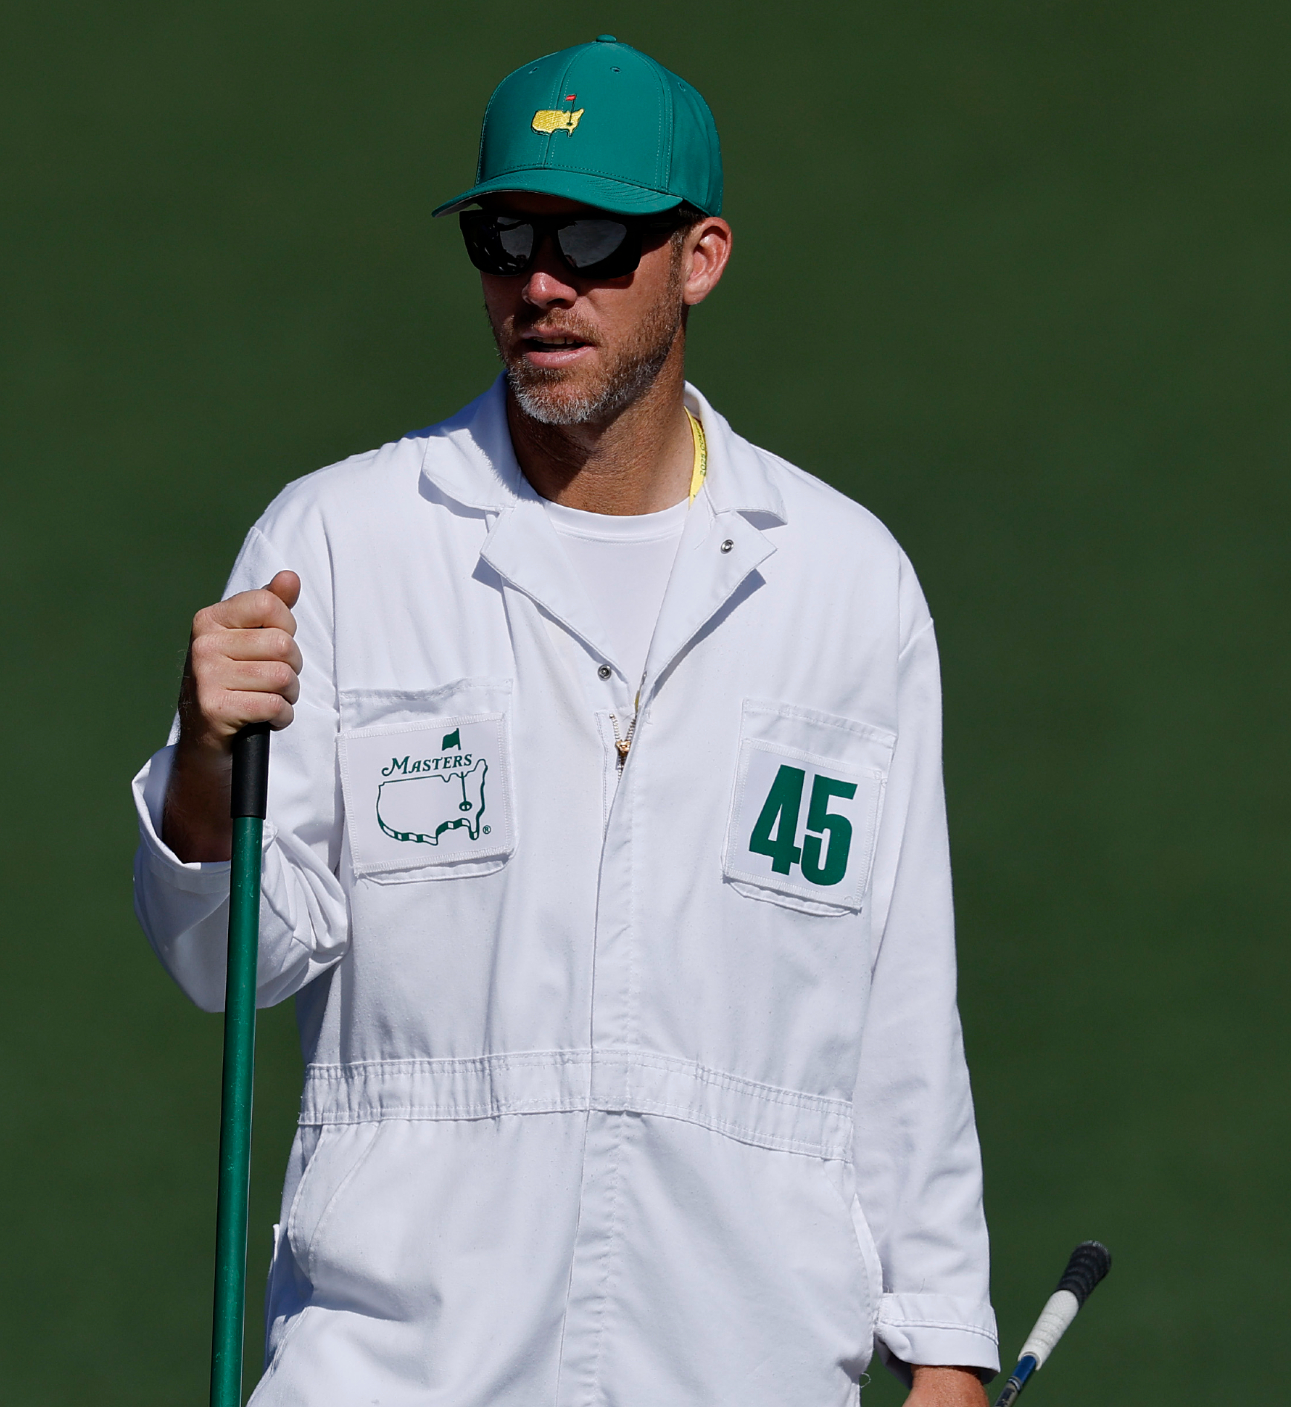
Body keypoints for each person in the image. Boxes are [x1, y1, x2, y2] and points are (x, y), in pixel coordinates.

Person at [131, 36, 995, 1406]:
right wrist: (202, 771)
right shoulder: (338, 542)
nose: (540, 280)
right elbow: (228, 961)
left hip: (747, 1363)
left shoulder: (846, 581)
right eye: (503, 234)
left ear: (699, 257)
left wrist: (945, 1343)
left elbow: (899, 997)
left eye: (591, 237)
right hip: (399, 1371)